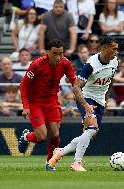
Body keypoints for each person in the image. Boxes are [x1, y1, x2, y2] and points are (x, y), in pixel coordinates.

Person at [48, 36, 119, 171]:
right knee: (92, 128)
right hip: (86, 97)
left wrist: (107, 98)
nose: (116, 52)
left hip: (100, 101)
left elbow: (111, 79)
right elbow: (75, 88)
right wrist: (86, 105)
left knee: (89, 134)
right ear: (104, 48)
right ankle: (77, 163)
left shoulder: (115, 62)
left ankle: (60, 152)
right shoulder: (91, 65)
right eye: (114, 49)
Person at [18, 39, 77, 171]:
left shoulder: (66, 63)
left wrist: (81, 97)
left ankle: (50, 163)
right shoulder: (37, 64)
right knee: (42, 137)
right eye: (55, 53)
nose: (58, 57)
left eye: (61, 53)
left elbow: (74, 81)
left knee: (55, 134)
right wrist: (26, 106)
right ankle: (26, 136)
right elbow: (24, 85)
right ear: (48, 53)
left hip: (52, 101)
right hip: (35, 103)